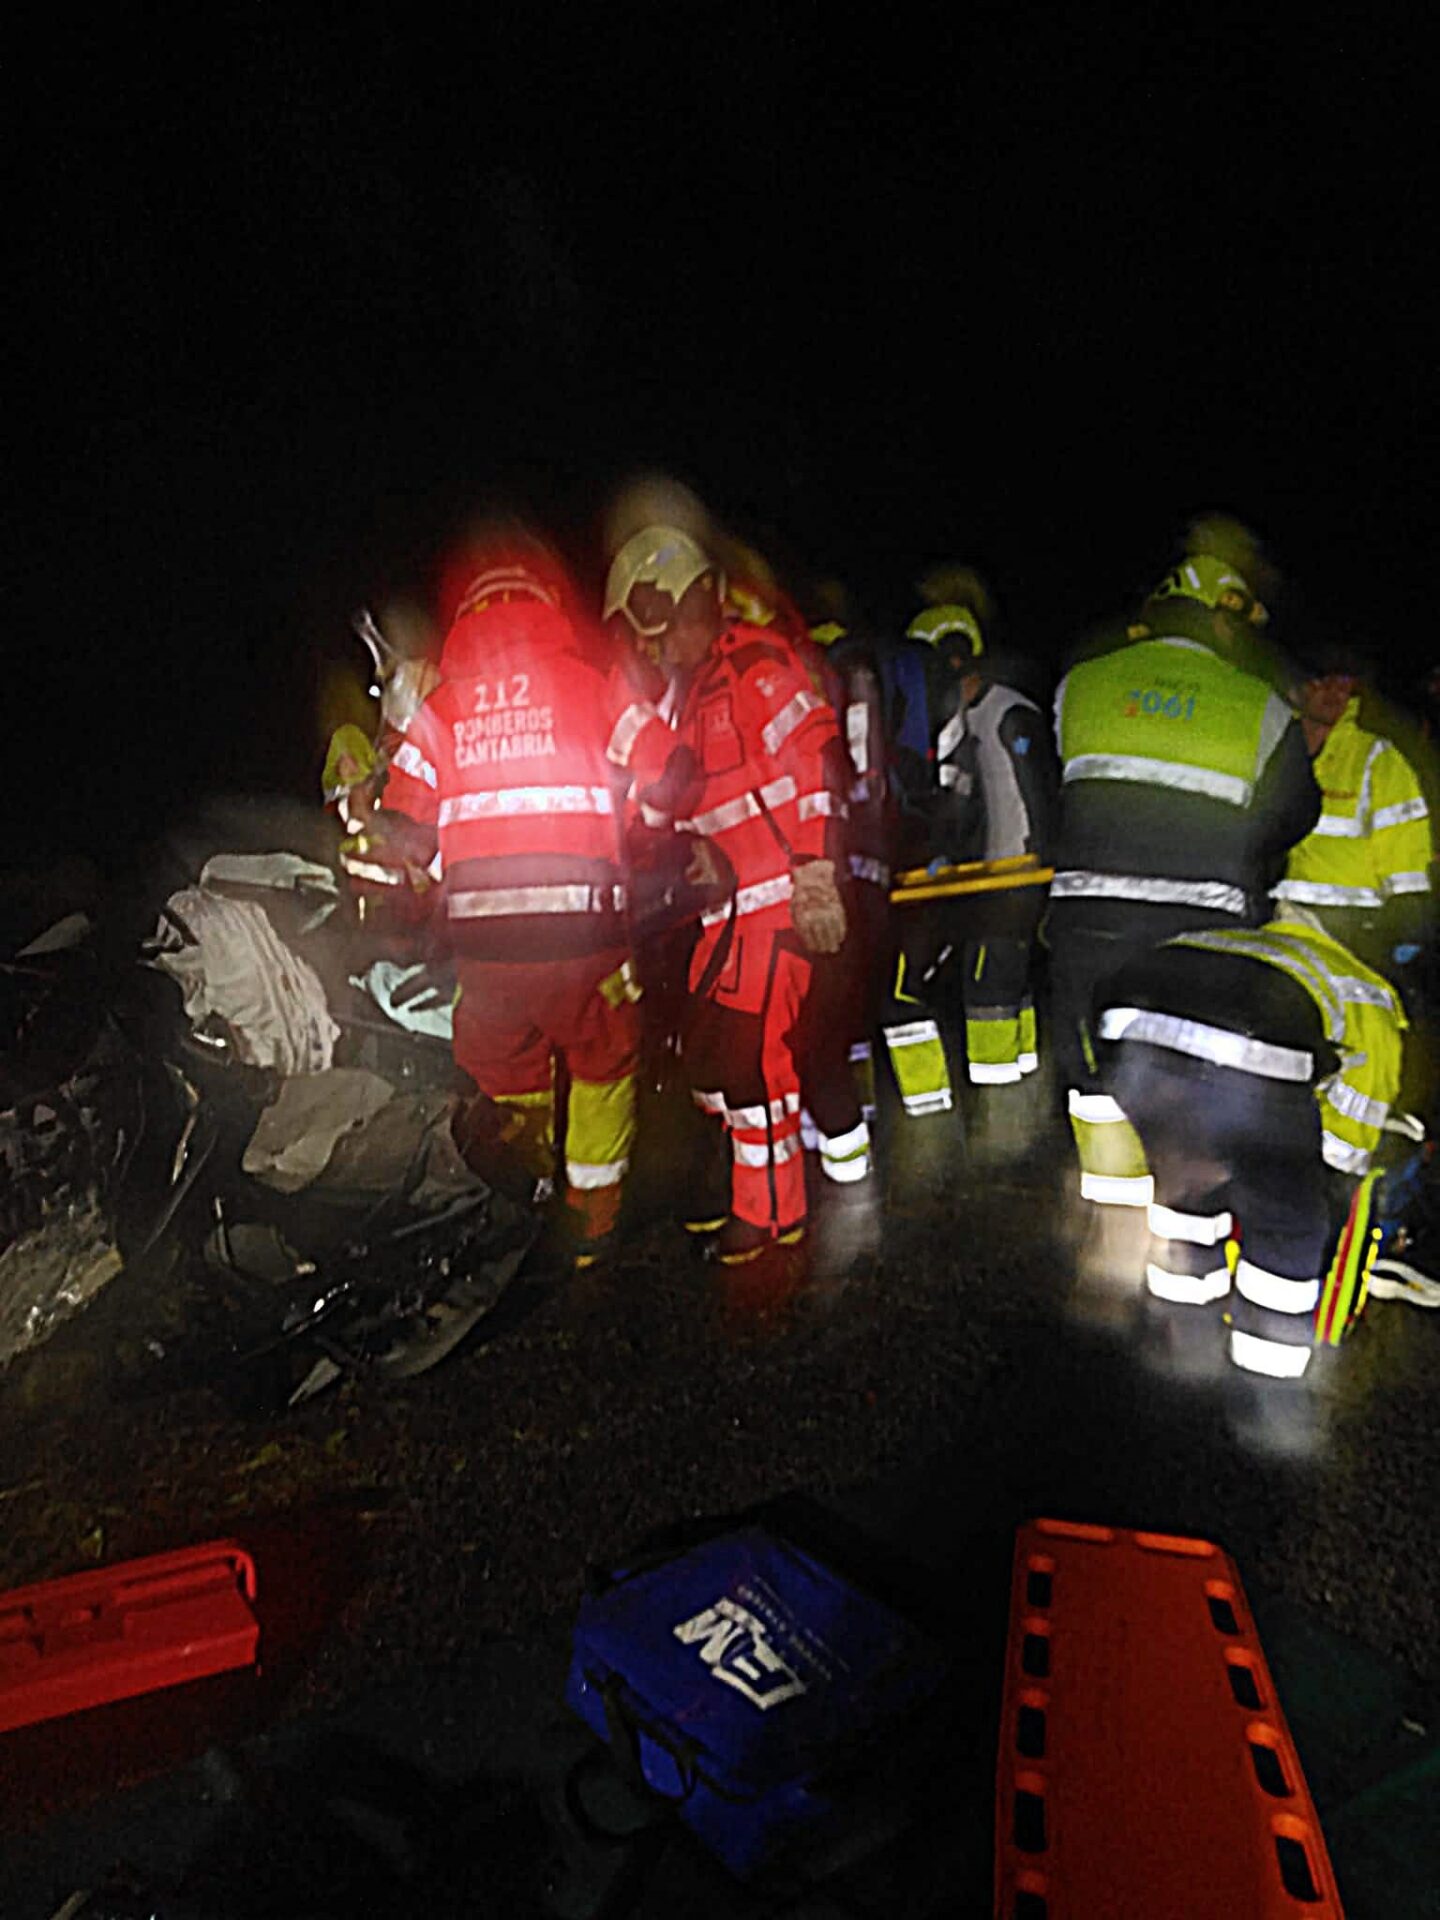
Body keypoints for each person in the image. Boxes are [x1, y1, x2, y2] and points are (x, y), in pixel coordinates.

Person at [380, 536, 678, 1267]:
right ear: (548, 607)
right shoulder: (594, 682)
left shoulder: (441, 709)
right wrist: (643, 830)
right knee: (603, 1070)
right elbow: (669, 772)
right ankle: (592, 1232)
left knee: (506, 1088)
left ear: (469, 619)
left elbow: (400, 831)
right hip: (587, 943)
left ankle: (517, 1228)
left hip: (486, 957)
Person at [603, 524, 850, 1265]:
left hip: (777, 907)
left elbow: (817, 760)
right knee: (710, 1067)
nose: (650, 649)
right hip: (726, 916)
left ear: (683, 606)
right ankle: (741, 1194)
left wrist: (816, 878)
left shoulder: (754, 665)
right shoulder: (687, 698)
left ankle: (772, 1218)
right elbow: (670, 806)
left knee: (754, 1068)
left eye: (654, 630)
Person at [1049, 542, 1320, 1205]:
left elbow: (1061, 784)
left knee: (1096, 1087)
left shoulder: (1082, 682)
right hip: (1201, 931)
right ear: (1224, 622)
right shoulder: (1260, 705)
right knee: (1189, 1096)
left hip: (1087, 923)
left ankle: (1112, 1225)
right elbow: (1296, 814)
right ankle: (1183, 1235)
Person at [1096, 910, 1406, 1381]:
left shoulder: (1248, 943)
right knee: (1286, 1220)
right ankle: (1266, 1378)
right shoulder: (1370, 995)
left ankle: (1181, 1343)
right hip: (1243, 1047)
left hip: (1129, 1034)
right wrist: (1307, 1188)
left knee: (1186, 1186)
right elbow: (1344, 1145)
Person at [900, 598, 1057, 1087]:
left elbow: (1040, 792)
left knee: (989, 987)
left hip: (1015, 876)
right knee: (1010, 986)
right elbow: (966, 803)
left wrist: (1043, 868)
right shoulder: (964, 719)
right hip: (992, 877)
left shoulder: (1008, 712)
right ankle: (1023, 1086)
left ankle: (999, 1101)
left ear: (954, 660)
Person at [1274, 647, 1434, 978]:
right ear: (1296, 688)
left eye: (1344, 683)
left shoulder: (1376, 757)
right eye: (1322, 681)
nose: (1334, 692)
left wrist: (1407, 916)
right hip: (1275, 916)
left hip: (1353, 925)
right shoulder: (1271, 746)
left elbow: (1403, 841)